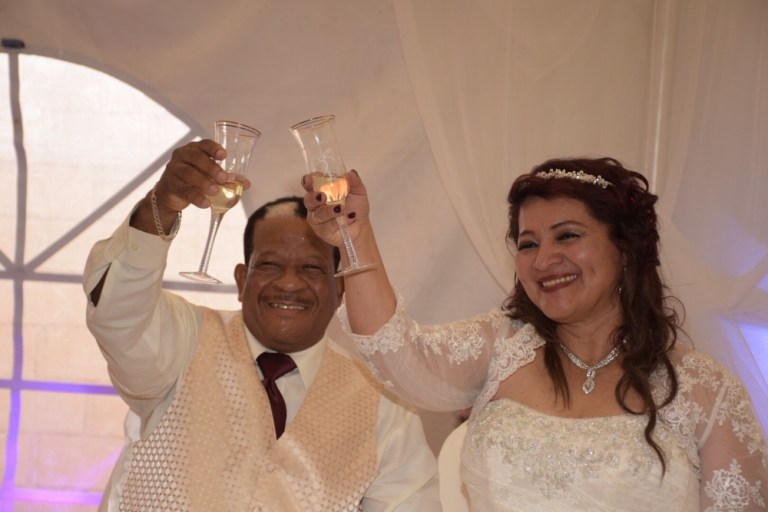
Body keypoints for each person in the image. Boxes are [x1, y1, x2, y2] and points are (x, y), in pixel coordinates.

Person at [302, 157, 768, 511]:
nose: (543, 260)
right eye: (528, 244)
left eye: (567, 236)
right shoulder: (500, 346)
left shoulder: (707, 392)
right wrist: (354, 238)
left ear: (625, 248)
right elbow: (395, 351)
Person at [83, 139, 440, 511]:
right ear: (242, 280)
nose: (289, 284)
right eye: (270, 265)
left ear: (340, 291)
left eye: (311, 268)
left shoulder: (384, 404)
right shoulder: (183, 340)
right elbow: (117, 312)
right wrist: (160, 206)